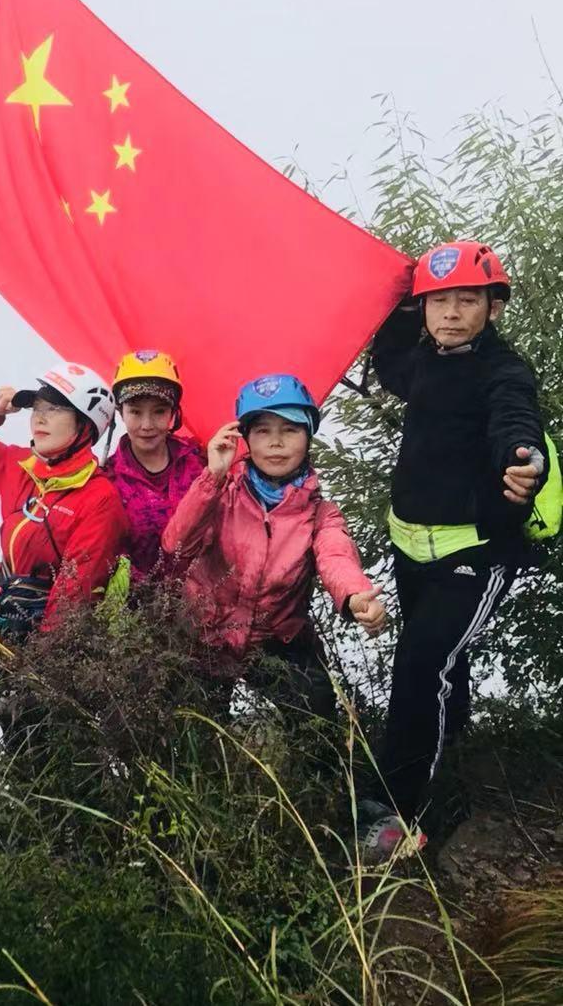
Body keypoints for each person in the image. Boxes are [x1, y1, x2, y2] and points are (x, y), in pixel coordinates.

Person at [361, 240, 547, 858]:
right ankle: (455, 767)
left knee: (421, 667)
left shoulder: (505, 370)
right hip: (411, 550)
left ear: (493, 306)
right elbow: (388, 359)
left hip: (476, 557)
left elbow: (513, 422)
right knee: (441, 670)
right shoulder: (424, 362)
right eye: (438, 300)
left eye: (467, 299)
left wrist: (525, 463)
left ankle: (395, 816)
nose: (450, 312)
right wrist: (386, 295)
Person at [162, 375, 387, 722]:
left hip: (279, 638)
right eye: (263, 430)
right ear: (246, 438)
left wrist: (356, 596)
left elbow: (336, 556)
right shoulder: (220, 493)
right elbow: (175, 545)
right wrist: (213, 476)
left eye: (291, 430)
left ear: (308, 436)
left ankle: (325, 776)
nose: (276, 443)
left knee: (317, 726)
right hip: (205, 634)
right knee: (193, 735)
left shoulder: (318, 514)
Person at [0, 362, 129, 637]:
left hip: (46, 647)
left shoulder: (100, 499)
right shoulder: (16, 465)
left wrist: (35, 661)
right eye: (37, 408)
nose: (39, 418)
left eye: (54, 409)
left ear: (85, 425)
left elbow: (74, 593)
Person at [104, 350, 204, 585]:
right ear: (120, 413)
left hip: (201, 607)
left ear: (173, 413)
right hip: (135, 612)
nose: (147, 425)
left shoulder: (199, 464)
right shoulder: (108, 479)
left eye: (159, 411)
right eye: (135, 412)